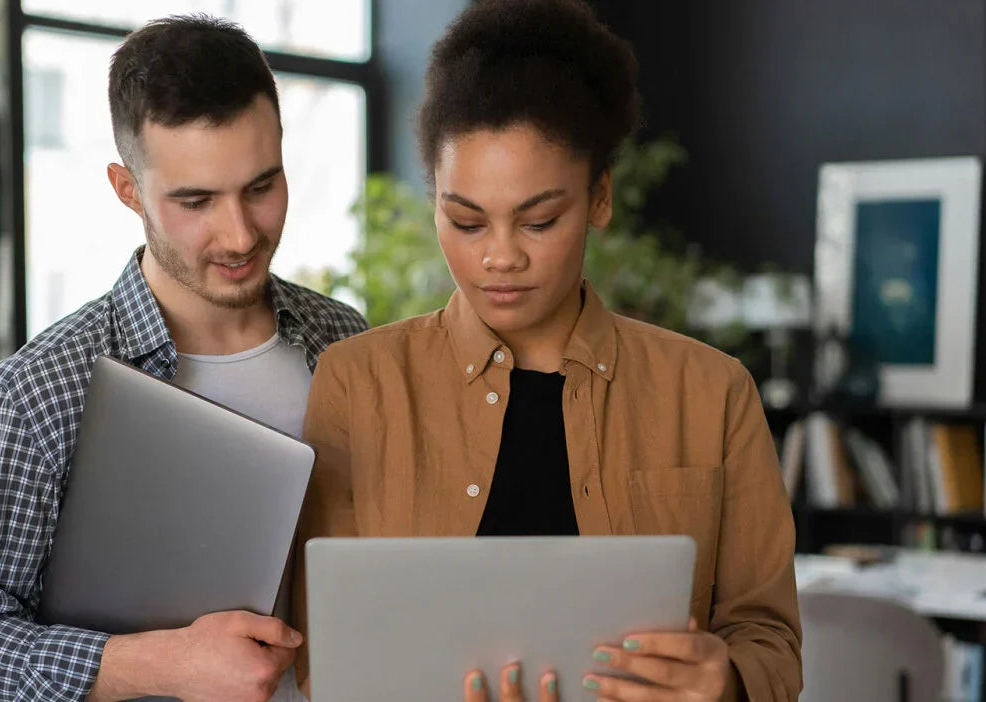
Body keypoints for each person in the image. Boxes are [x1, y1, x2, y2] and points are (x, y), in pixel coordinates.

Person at [292, 1, 802, 700]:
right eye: (465, 220)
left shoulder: (712, 392)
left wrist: (728, 681)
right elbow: (324, 649)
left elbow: (771, 641)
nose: (500, 257)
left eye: (539, 220)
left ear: (599, 199)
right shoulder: (357, 384)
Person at [0, 15, 366, 702]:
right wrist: (164, 664)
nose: (239, 233)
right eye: (195, 201)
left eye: (261, 187)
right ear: (128, 190)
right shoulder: (38, 393)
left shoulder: (344, 339)